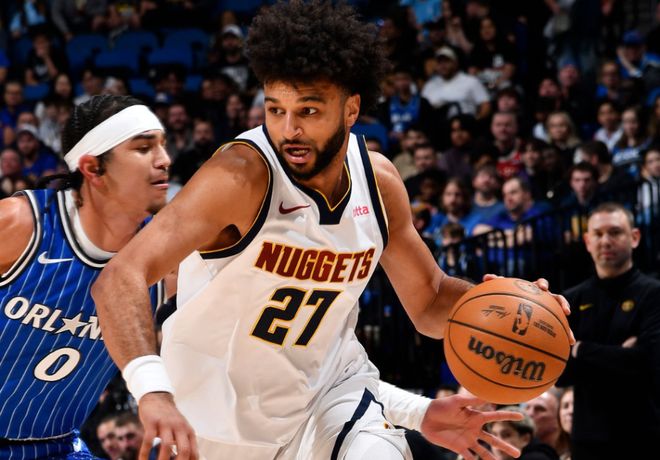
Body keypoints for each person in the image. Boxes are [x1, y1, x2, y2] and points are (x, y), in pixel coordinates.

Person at [91, 2, 569, 459]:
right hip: (212, 423)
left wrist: (511, 305)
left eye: (309, 111)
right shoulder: (239, 177)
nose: (288, 130)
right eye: (275, 109)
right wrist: (150, 390)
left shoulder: (378, 184)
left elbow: (429, 302)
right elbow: (121, 276)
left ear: (351, 109)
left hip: (330, 402)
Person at [0, 94, 169, 458]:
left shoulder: (166, 259)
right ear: (92, 168)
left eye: (162, 145)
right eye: (143, 149)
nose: (164, 160)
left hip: (58, 446)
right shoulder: (22, 224)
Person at [556, 202, 660, 459]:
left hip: (644, 435)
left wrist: (581, 349)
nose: (605, 241)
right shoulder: (571, 299)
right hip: (587, 439)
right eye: (598, 234)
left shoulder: (654, 293)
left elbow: (648, 360)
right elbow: (559, 373)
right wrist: (620, 355)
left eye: (615, 232)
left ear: (634, 237)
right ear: (587, 241)